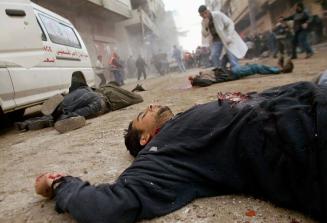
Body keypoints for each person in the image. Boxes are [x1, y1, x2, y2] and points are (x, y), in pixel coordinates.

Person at [36, 81, 327, 223]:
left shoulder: (182, 123)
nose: (150, 106)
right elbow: (111, 204)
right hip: (311, 136)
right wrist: (59, 183)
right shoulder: (161, 154)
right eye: (142, 115)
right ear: (145, 139)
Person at [16, 71, 143, 133]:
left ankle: (26, 123)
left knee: (63, 106)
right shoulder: (117, 92)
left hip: (82, 91)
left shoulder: (100, 87)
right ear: (115, 86)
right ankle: (64, 117)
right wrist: (136, 91)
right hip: (100, 101)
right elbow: (138, 98)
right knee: (86, 109)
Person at [199, 5, 247, 69]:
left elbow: (230, 23)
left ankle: (235, 68)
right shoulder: (203, 22)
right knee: (214, 55)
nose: (204, 16)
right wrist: (206, 26)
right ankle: (219, 71)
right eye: (202, 15)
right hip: (216, 40)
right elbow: (205, 35)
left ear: (208, 11)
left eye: (205, 13)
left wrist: (229, 36)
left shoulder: (217, 15)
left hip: (226, 37)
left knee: (233, 61)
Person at [189, 59, 294, 87]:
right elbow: (206, 83)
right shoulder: (204, 79)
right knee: (255, 67)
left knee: (252, 65)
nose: (196, 74)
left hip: (231, 70)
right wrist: (195, 80)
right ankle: (281, 70)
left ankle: (277, 67)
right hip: (233, 73)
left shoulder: (203, 75)